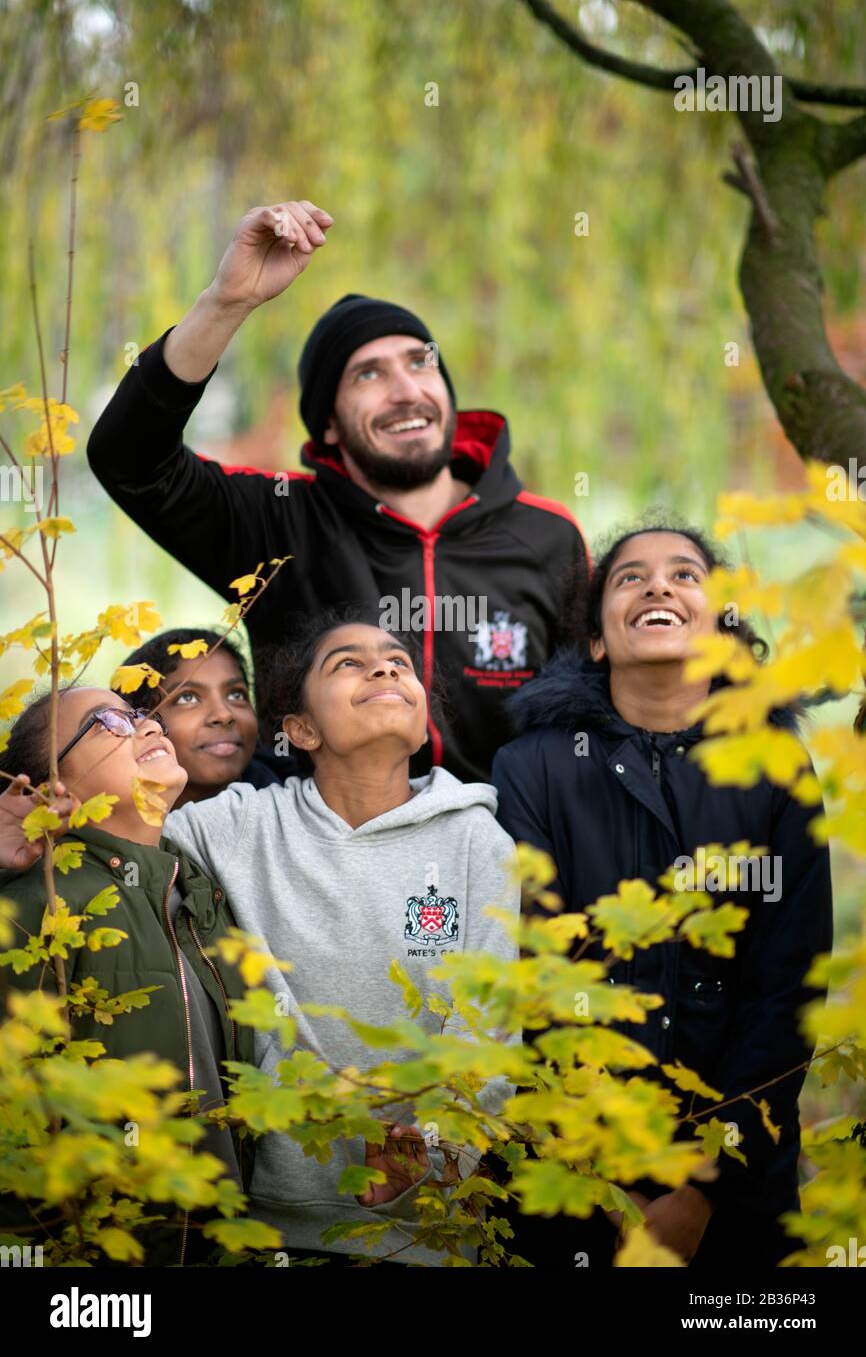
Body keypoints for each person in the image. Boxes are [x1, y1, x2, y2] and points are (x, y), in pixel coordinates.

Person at [1, 611, 520, 1265]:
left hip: (429, 1226)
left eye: (398, 662)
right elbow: (118, 834)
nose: (385, 668)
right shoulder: (235, 828)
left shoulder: (479, 840)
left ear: (426, 723)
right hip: (264, 1223)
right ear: (299, 730)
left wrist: (443, 1153)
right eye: (348, 664)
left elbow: (492, 1029)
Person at [86, 200, 589, 783]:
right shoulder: (279, 520)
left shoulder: (548, 535)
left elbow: (592, 716)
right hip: (317, 863)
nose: (405, 391)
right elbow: (129, 457)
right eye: (368, 375)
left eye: (420, 363)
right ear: (327, 424)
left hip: (502, 859)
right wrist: (227, 302)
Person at [491, 521, 833, 1268]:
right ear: (597, 642)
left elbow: (788, 992)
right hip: (572, 1172)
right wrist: (610, 1187)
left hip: (741, 1180)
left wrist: (704, 1189)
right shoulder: (531, 768)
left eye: (686, 575)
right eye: (630, 577)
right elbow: (536, 978)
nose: (658, 586)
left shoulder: (775, 768)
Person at [0, 687, 257, 1265]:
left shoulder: (203, 899)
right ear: (50, 791)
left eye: (140, 713)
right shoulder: (41, 913)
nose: (144, 724)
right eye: (105, 722)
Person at [117, 627, 296, 804]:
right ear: (137, 724)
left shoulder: (297, 798)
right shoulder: (101, 824)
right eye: (187, 698)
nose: (224, 715)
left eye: (236, 695)